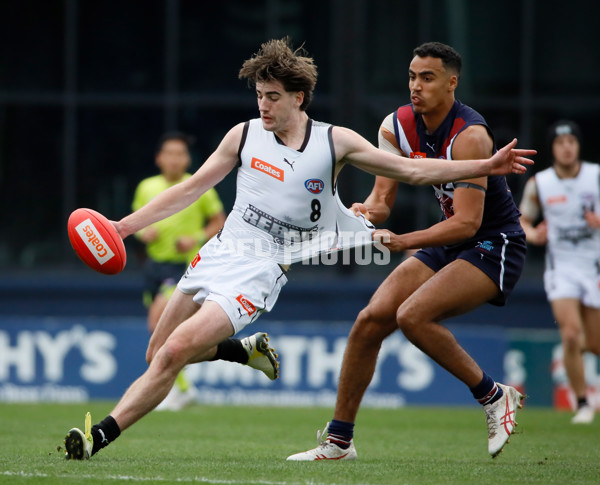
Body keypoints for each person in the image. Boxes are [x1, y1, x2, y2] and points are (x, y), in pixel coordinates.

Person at [63, 38, 534, 460]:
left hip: (260, 270)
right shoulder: (244, 134)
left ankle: (96, 439)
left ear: (298, 98)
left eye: (273, 97)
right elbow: (190, 189)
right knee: (156, 354)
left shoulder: (334, 141)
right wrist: (123, 227)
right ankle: (241, 353)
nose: (263, 106)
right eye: (259, 96)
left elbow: (411, 172)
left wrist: (483, 164)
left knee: (173, 354)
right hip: (222, 251)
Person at [287, 42, 527, 462]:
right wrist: (363, 211)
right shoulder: (396, 125)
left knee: (412, 315)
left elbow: (468, 224)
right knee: (370, 320)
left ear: (453, 83)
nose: (416, 86)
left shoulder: (471, 136)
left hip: (494, 244)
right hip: (449, 241)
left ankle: (494, 396)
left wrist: (403, 241)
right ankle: (339, 442)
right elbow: (382, 201)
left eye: (428, 78)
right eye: (413, 76)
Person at [132, 131, 227, 411]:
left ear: (187, 159)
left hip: (185, 268)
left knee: (158, 324)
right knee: (161, 331)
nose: (175, 159)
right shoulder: (146, 187)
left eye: (180, 154)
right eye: (169, 153)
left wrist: (196, 237)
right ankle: (181, 388)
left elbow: (219, 222)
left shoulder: (199, 186)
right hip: (154, 267)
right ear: (159, 158)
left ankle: (175, 388)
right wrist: (142, 233)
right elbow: (138, 222)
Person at [519, 120, 600, 424]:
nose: (566, 148)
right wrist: (533, 235)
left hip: (593, 265)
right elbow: (523, 221)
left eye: (571, 142)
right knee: (569, 333)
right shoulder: (540, 183)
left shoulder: (596, 176)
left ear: (578, 146)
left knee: (594, 343)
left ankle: (576, 362)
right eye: (560, 143)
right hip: (561, 267)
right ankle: (582, 404)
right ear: (552, 149)